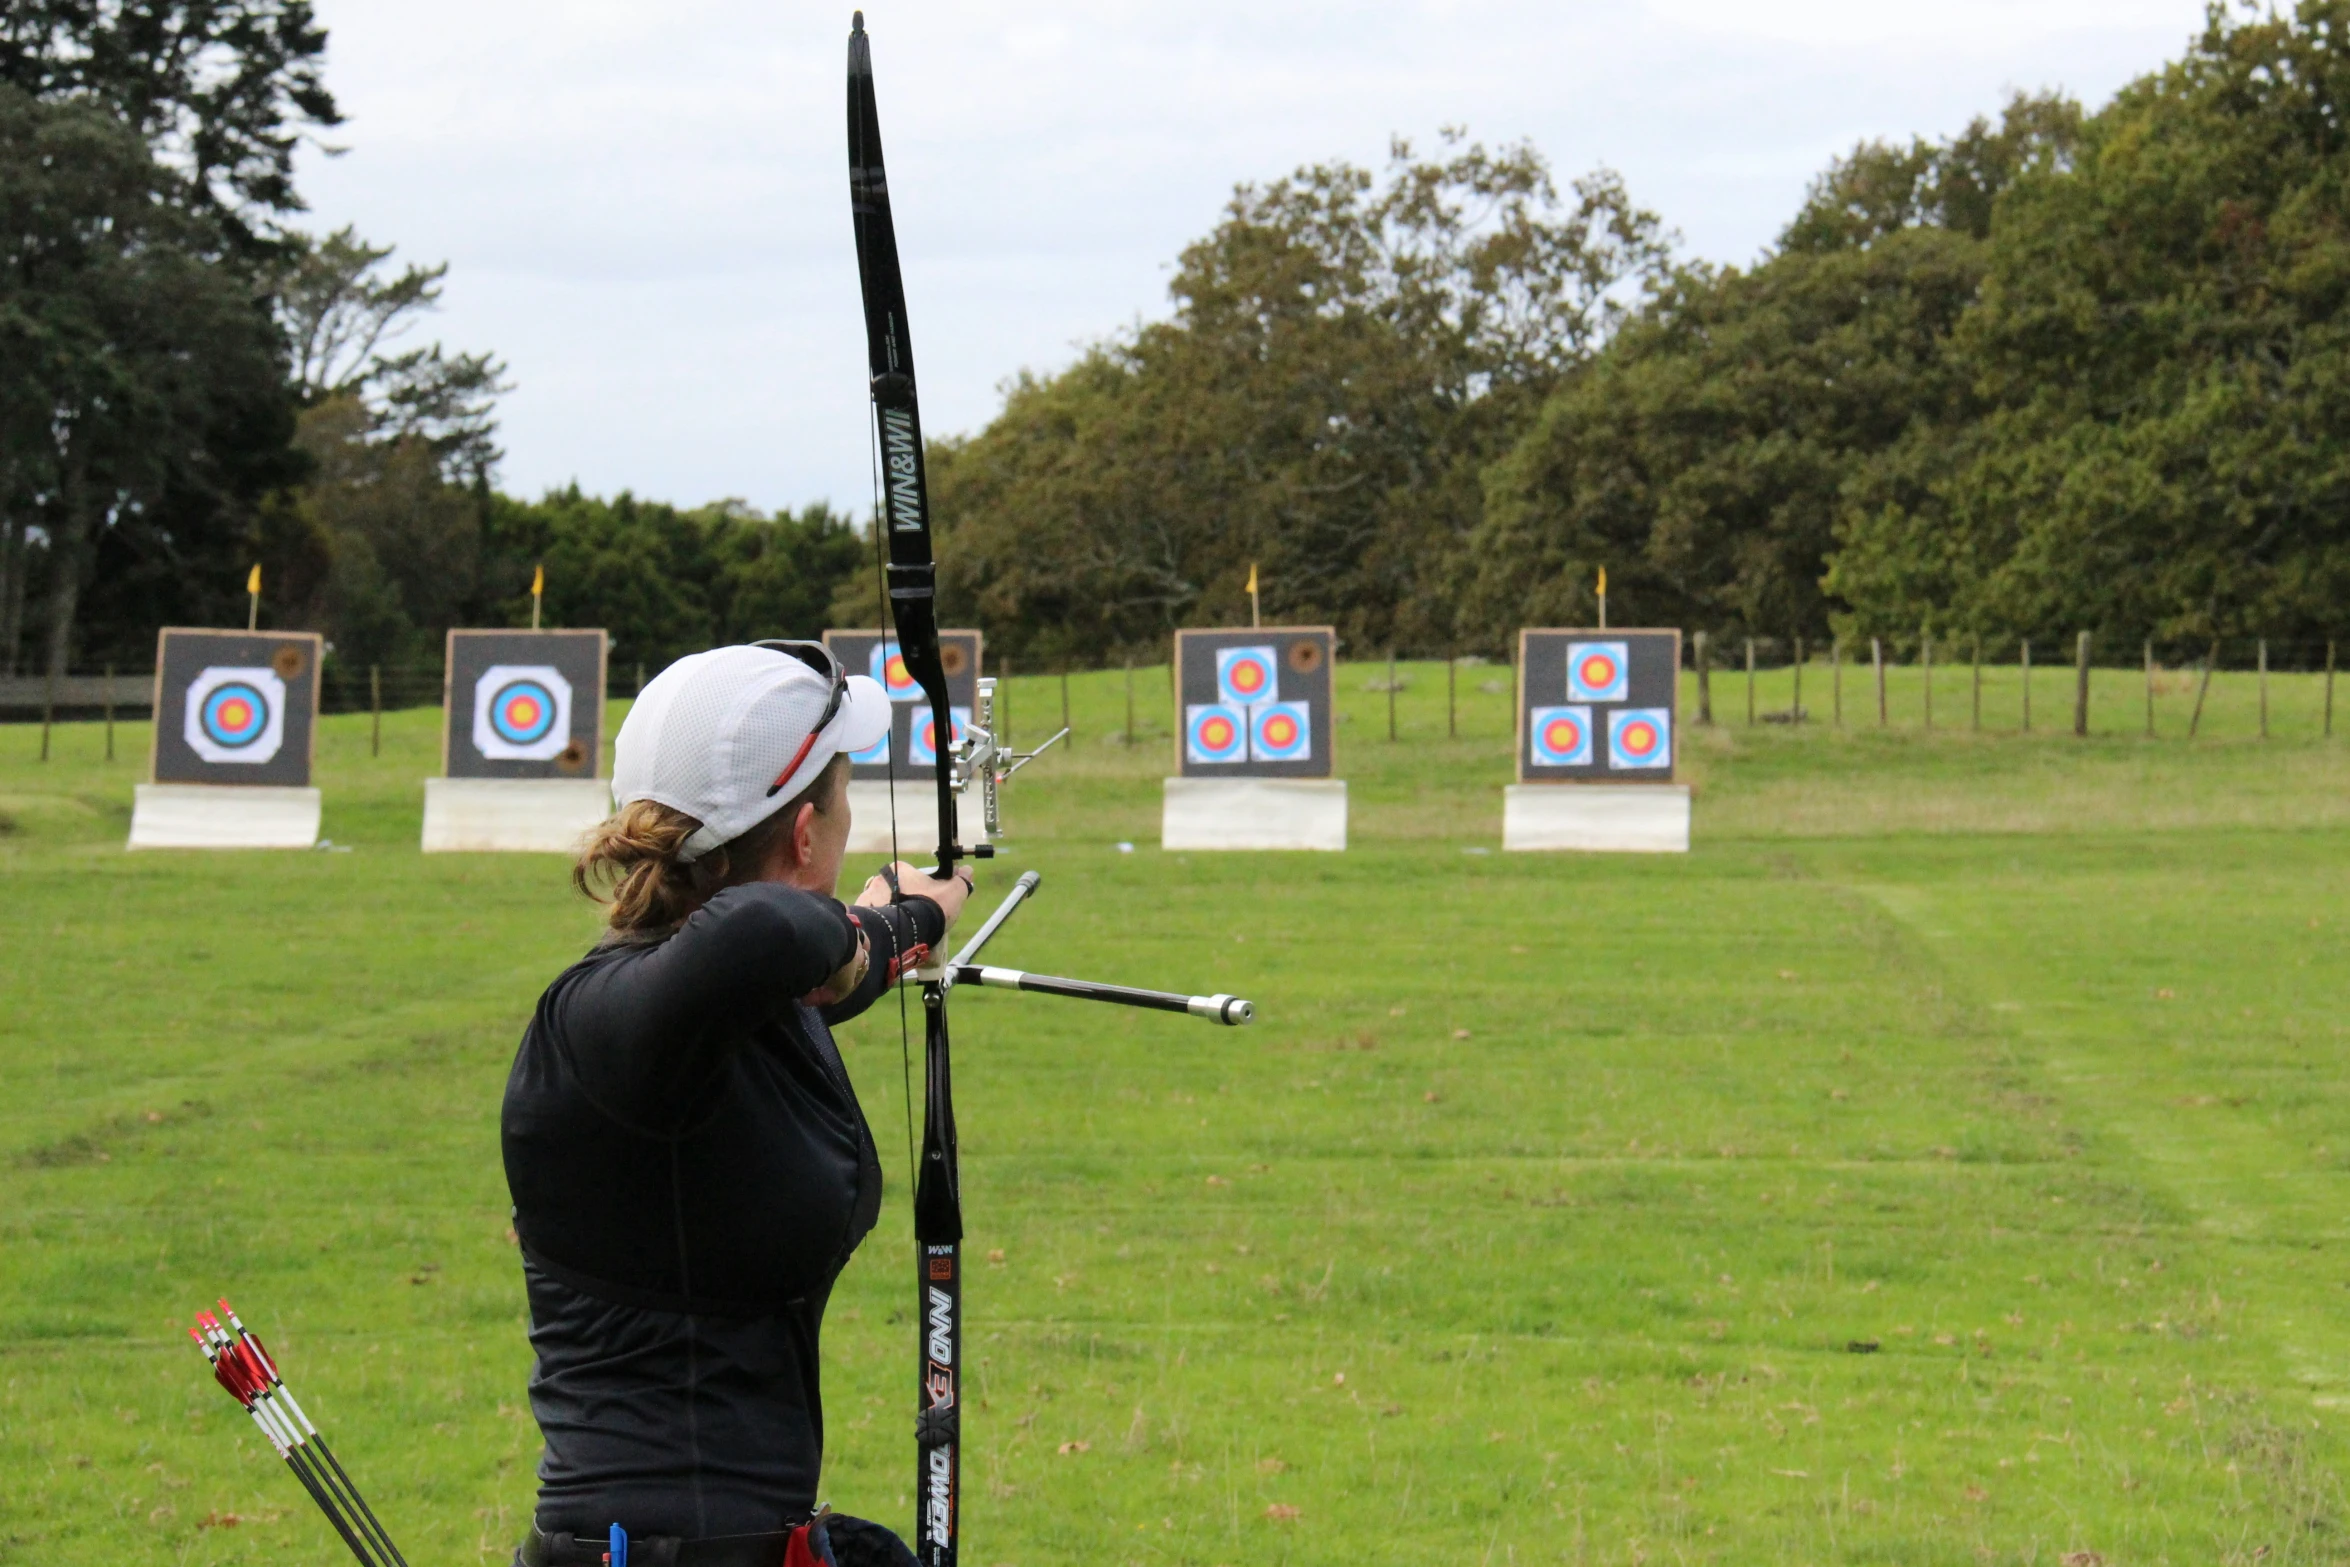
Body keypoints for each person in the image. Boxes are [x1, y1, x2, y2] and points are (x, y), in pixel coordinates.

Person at [501, 642, 972, 1567]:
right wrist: (890, 922)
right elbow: (766, 932)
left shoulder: (715, 1015)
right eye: (841, 807)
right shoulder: (605, 1022)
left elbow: (797, 972)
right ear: (805, 835)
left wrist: (903, 928)